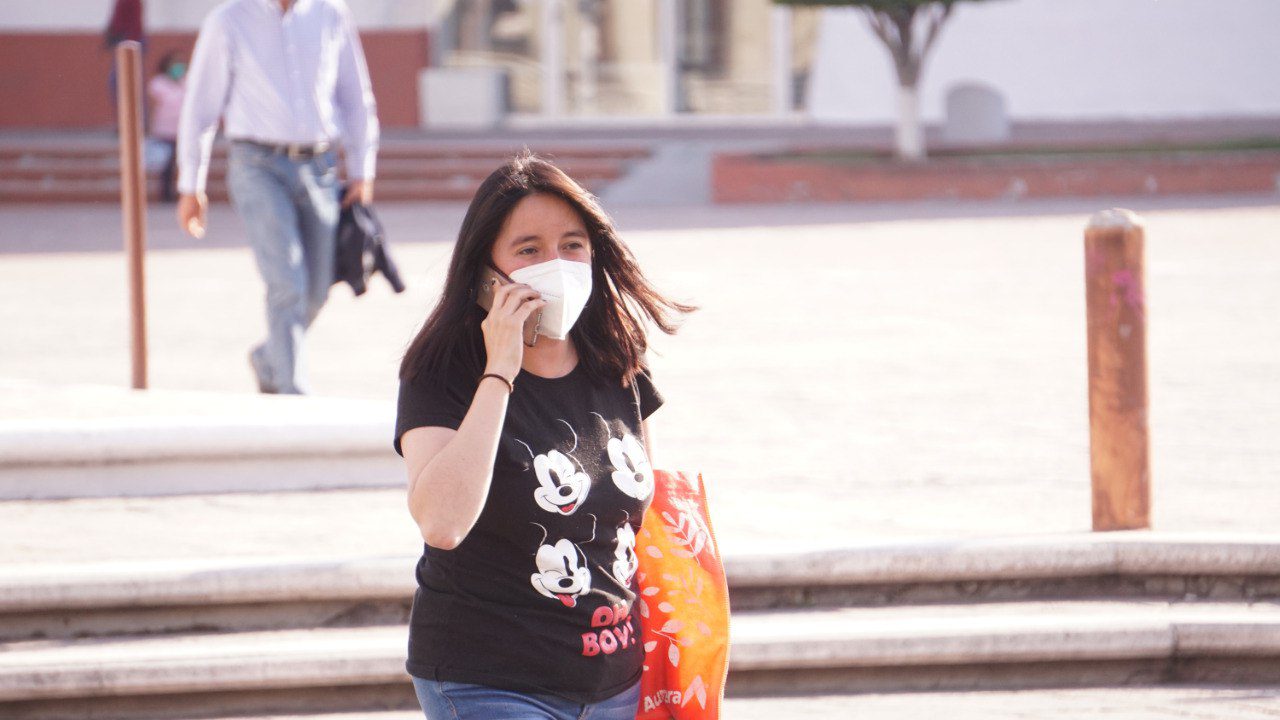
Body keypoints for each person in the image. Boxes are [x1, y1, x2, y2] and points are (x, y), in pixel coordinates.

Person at [393, 153, 696, 720]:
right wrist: (499, 371)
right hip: (489, 679)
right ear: (486, 271)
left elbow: (636, 513)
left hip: (617, 680)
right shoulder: (443, 371)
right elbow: (442, 522)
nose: (555, 264)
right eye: (528, 249)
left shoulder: (616, 360)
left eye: (572, 244)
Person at [175, 0, 379, 395]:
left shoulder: (332, 14)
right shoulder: (228, 20)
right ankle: (293, 393)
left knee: (317, 288)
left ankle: (271, 357)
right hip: (257, 165)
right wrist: (191, 184)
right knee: (286, 280)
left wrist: (361, 168)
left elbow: (355, 96)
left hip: (319, 167)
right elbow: (199, 107)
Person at [147, 52, 186, 203]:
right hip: (164, 129)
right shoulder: (158, 83)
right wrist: (149, 128)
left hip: (182, 129)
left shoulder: (186, 81)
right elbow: (152, 106)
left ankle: (183, 192)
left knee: (182, 162)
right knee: (166, 163)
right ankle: (166, 193)